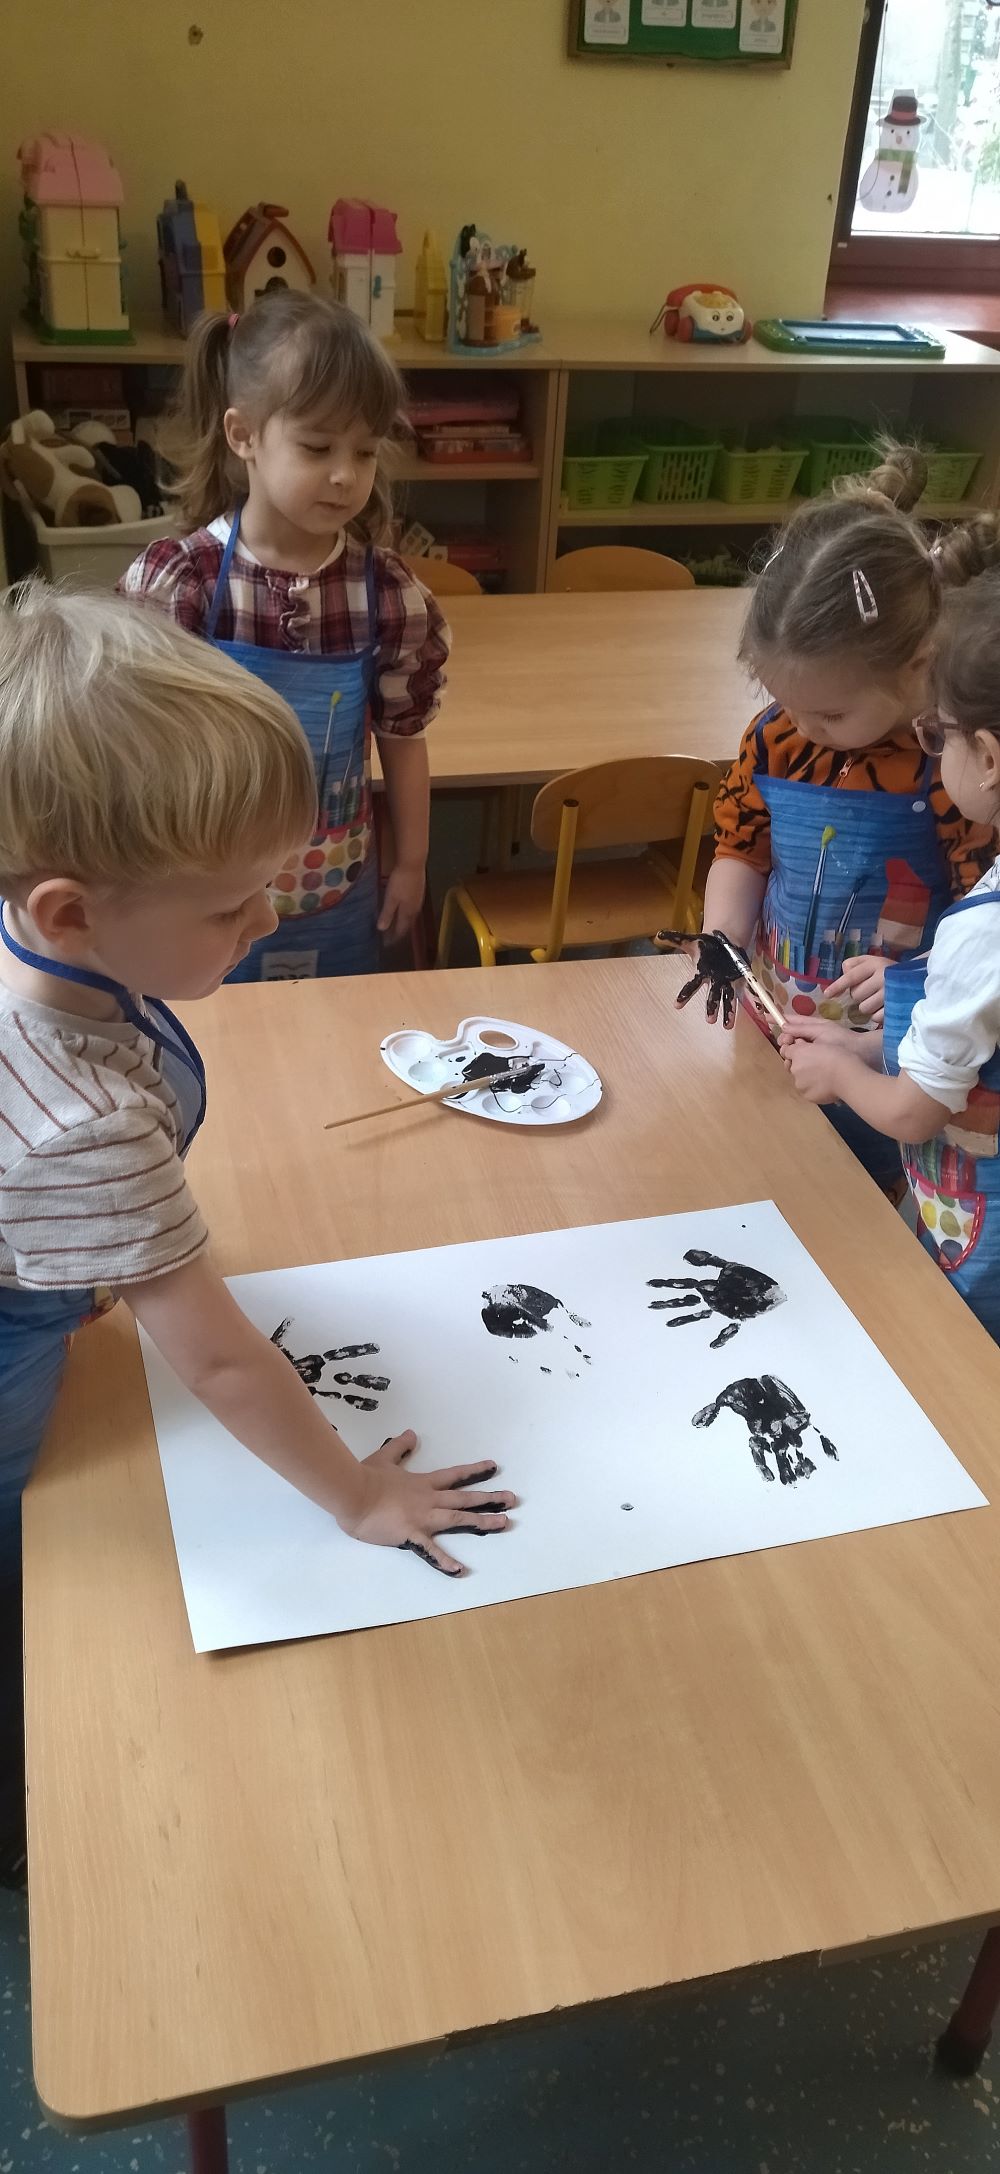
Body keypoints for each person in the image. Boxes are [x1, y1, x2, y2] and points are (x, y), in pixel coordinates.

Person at [0, 585, 512, 1880]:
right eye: (232, 905)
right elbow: (222, 1361)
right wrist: (358, 1493)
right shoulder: (83, 1121)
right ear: (69, 913)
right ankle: (29, 1814)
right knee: (36, 1574)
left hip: (49, 1257)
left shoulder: (45, 945)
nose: (270, 923)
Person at [120, 291, 447, 981]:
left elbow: (403, 741)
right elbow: (136, 756)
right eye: (317, 447)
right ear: (244, 435)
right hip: (203, 888)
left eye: (365, 451)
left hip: (339, 885)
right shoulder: (182, 583)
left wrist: (412, 864)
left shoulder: (387, 593)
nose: (346, 475)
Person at [691, 443, 995, 1184]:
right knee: (772, 1174)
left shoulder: (953, 767)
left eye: (828, 713)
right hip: (777, 1018)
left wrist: (914, 972)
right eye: (783, 700)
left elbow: (980, 923)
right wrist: (722, 938)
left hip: (899, 1056)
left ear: (917, 665)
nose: (802, 725)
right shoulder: (777, 739)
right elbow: (742, 848)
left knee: (863, 1195)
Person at [782, 561, 1000, 1342]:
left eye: (937, 735)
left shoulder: (985, 933)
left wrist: (843, 1076)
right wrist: (873, 1041)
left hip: (982, 1249)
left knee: (958, 1371)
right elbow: (981, 1033)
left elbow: (912, 1114)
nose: (931, 753)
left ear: (989, 757)